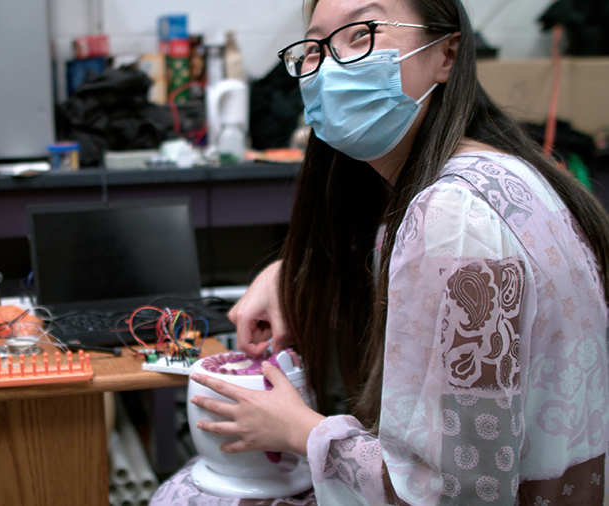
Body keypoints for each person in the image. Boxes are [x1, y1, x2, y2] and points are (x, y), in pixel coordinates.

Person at [150, 0, 609, 504]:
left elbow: (452, 492)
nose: (327, 66)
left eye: (362, 33)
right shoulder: (505, 177)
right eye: (313, 48)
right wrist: (288, 275)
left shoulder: (451, 218)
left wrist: (298, 430)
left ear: (447, 54)